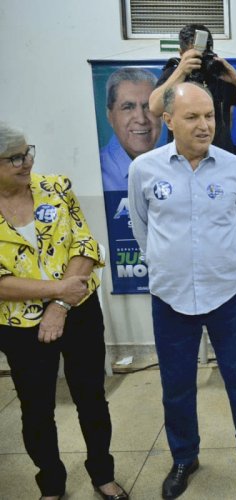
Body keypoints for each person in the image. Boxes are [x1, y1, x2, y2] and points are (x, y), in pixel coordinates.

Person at [129, 82, 236, 499]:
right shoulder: (144, 169)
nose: (205, 125)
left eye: (209, 116)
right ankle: (184, 457)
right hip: (170, 297)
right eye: (193, 117)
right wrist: (166, 262)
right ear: (168, 120)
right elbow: (142, 230)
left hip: (225, 295)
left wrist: (224, 267)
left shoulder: (235, 168)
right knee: (176, 384)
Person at [0, 123, 127, 500]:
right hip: (20, 326)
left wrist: (58, 305)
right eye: (16, 158)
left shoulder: (55, 187)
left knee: (91, 397)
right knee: (36, 409)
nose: (28, 162)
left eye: (29, 152)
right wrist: (57, 289)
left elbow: (86, 246)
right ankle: (52, 484)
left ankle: (103, 474)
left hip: (79, 313)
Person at [148, 24, 236, 152]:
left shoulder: (218, 76)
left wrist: (235, 78)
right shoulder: (174, 75)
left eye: (204, 55)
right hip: (183, 158)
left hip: (219, 156)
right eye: (194, 56)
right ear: (181, 54)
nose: (200, 60)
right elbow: (154, 108)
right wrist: (181, 71)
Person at [100, 67, 162, 191]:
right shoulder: (97, 168)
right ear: (110, 116)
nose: (141, 119)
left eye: (148, 107)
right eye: (128, 107)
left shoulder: (176, 165)